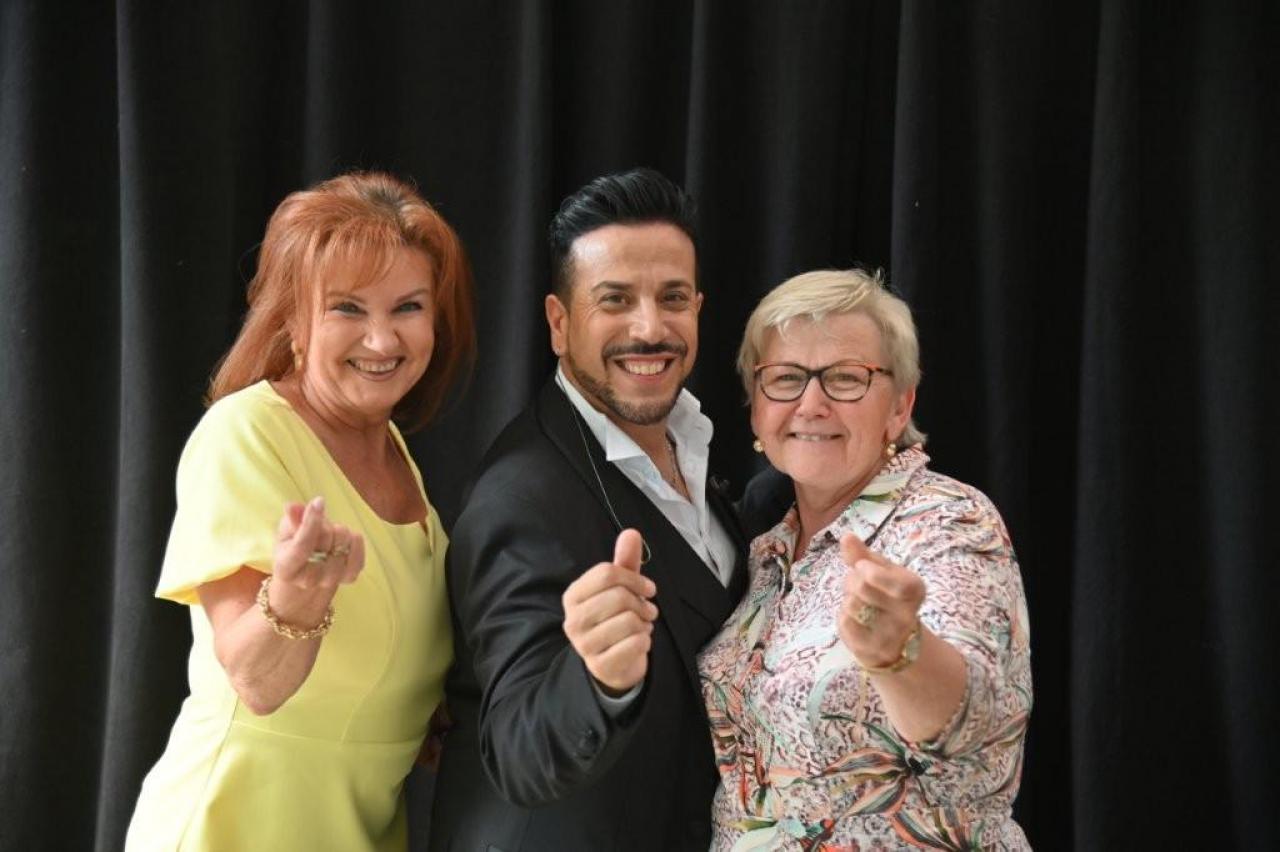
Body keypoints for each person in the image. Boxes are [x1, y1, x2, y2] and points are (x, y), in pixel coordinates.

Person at [126, 171, 475, 851]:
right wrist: (296, 600)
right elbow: (257, 683)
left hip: (357, 829)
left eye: (407, 307)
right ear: (293, 320)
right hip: (237, 826)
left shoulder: (396, 453)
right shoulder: (245, 432)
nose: (383, 341)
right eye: (348, 309)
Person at [429, 168, 750, 851]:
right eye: (615, 300)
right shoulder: (519, 498)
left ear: (698, 308)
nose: (650, 327)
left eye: (672, 298)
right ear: (559, 322)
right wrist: (598, 680)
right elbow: (516, 749)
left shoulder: (694, 444)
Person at [699, 269, 1032, 850]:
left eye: (846, 378)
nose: (811, 404)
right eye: (785, 378)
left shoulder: (947, 521)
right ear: (755, 410)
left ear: (900, 406)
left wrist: (900, 654)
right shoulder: (763, 551)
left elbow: (970, 718)